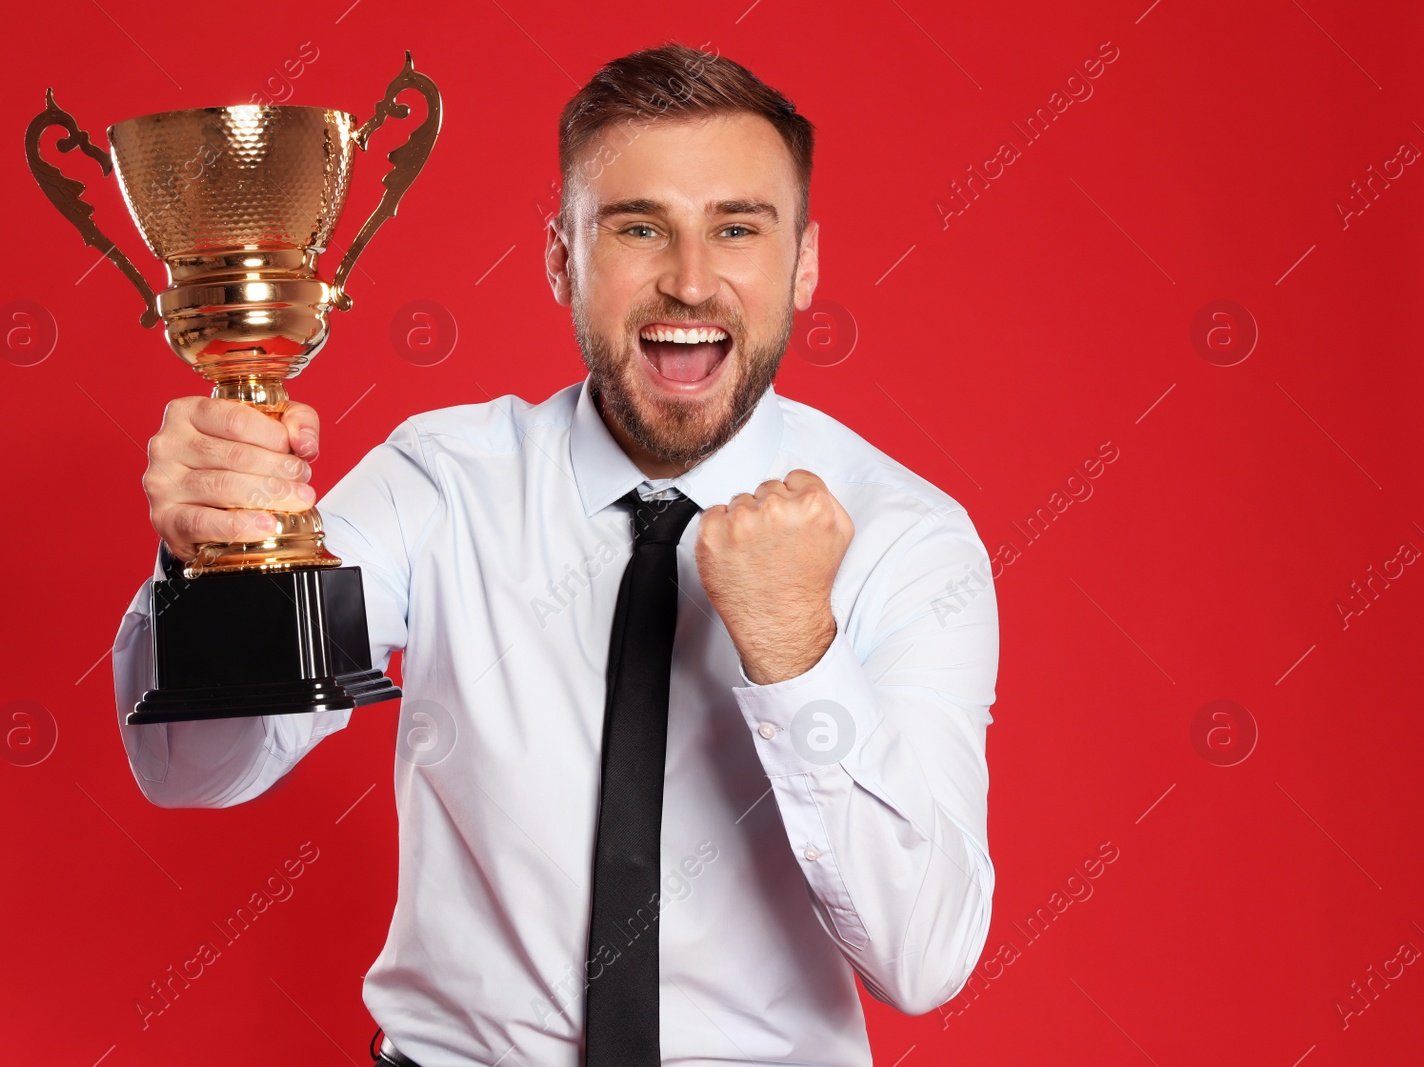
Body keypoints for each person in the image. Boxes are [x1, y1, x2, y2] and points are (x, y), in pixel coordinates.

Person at [112, 42, 999, 1067]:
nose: (689, 280)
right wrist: (212, 550)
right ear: (560, 260)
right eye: (637, 226)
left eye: (737, 228)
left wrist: (797, 652)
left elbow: (924, 956)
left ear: (802, 263)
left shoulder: (907, 539)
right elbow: (193, 766)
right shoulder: (438, 482)